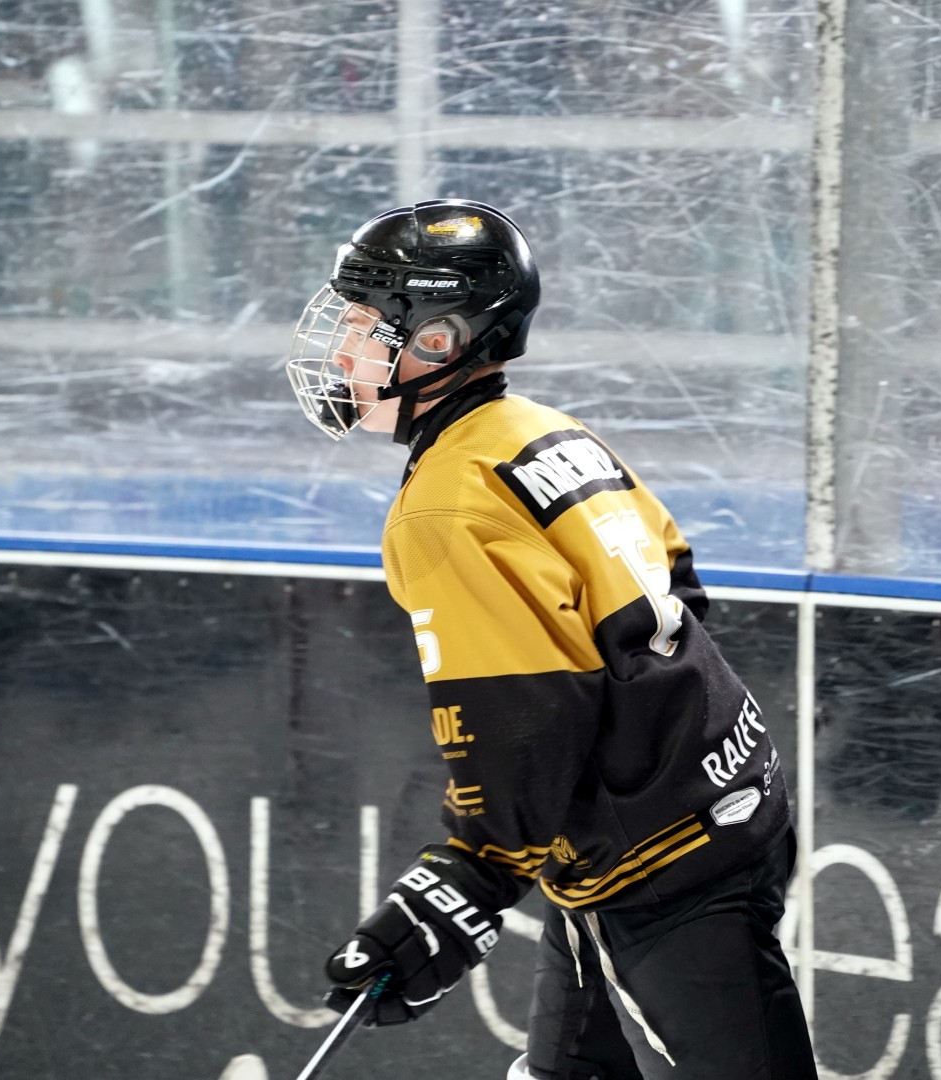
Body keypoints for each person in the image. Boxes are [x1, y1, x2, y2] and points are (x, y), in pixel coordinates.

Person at [285, 199, 817, 1080]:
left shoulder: (447, 505)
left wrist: (472, 877)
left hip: (668, 868)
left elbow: (522, 714)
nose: (341, 351)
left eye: (362, 326)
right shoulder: (541, 431)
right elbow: (677, 582)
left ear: (439, 341)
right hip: (721, 803)